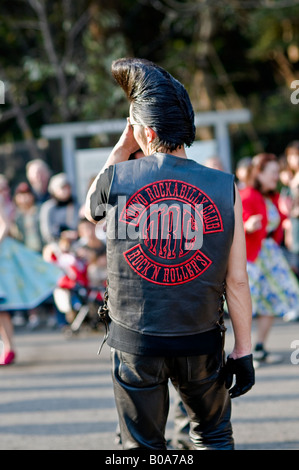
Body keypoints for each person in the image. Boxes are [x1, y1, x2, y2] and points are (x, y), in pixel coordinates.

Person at [85, 58, 254, 450]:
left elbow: (89, 209)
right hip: (199, 337)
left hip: (135, 340)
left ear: (145, 131)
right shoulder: (224, 186)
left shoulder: (118, 180)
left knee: (142, 447)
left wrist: (123, 146)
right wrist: (244, 350)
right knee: (212, 436)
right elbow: (237, 279)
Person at [239, 153, 299, 362]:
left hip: (270, 255)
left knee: (271, 301)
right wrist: (247, 226)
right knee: (247, 303)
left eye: (278, 172)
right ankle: (243, 349)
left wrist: (287, 212)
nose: (277, 176)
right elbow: (240, 220)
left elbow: (277, 224)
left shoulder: (272, 197)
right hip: (253, 256)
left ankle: (260, 346)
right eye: (273, 172)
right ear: (260, 174)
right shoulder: (247, 195)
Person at [0, 195, 62, 365]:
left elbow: (4, 225)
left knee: (2, 308)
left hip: (2, 255)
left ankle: (8, 347)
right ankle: (7, 347)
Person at [39, 172, 80, 245]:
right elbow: (46, 232)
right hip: (56, 246)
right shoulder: (48, 208)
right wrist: (61, 236)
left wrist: (77, 234)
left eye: (68, 187)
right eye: (62, 188)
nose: (66, 190)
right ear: (54, 190)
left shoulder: (76, 206)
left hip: (77, 245)